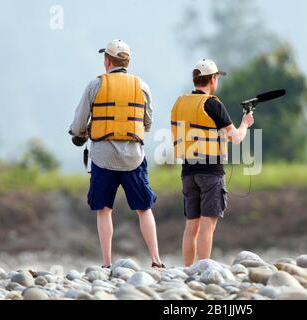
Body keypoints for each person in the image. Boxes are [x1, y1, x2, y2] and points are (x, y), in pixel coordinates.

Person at [69, 40, 164, 269]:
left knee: (103, 209)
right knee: (144, 208)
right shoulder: (141, 85)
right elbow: (147, 122)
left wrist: (79, 134)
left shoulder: (95, 85)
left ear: (107, 61)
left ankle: (107, 263)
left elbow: (80, 122)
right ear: (127, 62)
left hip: (103, 157)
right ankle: (156, 260)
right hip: (134, 157)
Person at [171, 59, 254, 267]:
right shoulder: (213, 104)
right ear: (213, 79)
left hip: (188, 172)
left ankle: (188, 270)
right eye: (217, 77)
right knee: (208, 224)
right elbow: (236, 138)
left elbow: (201, 133)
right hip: (211, 173)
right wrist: (245, 124)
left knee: (191, 226)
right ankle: (204, 268)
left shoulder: (180, 103)